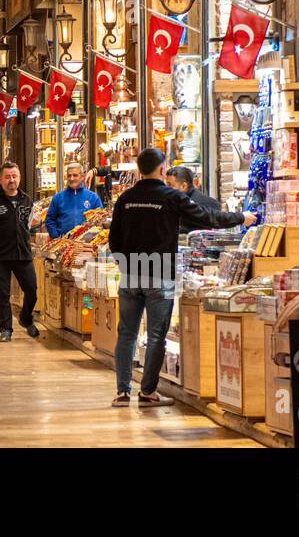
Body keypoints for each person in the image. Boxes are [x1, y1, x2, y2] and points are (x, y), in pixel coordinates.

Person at [109, 148, 254, 408]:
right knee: (156, 336)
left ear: (140, 169)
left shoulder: (126, 199)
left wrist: (126, 263)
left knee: (126, 333)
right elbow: (207, 217)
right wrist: (241, 217)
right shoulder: (171, 196)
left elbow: (114, 239)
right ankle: (147, 393)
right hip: (160, 273)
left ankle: (122, 392)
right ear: (162, 169)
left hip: (131, 273)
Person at [0, 162, 39, 341]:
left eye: (14, 176)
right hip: (1, 255)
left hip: (23, 254)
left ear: (19, 178)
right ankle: (5, 329)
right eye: (7, 177)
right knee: (2, 294)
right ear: (0, 179)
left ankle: (26, 319)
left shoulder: (27, 200)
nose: (11, 180)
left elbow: (27, 225)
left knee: (32, 290)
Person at [165, 166, 255, 234]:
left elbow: (212, 217)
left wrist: (241, 218)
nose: (166, 188)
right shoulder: (175, 200)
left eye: (170, 185)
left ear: (184, 186)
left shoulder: (190, 202)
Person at [44, 162, 103, 237]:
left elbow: (101, 219)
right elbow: (49, 220)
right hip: (64, 245)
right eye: (69, 176)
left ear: (82, 177)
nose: (72, 178)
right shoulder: (58, 198)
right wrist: (56, 236)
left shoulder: (93, 197)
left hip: (86, 245)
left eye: (75, 175)